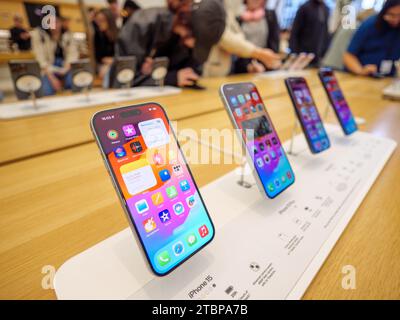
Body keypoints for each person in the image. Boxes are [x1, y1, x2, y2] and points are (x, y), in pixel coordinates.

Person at [118, 0, 226, 87]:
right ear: (183, 21)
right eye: (193, 39)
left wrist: (159, 74)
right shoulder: (142, 24)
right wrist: (170, 78)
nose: (192, 46)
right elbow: (122, 79)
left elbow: (193, 72)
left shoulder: (193, 37)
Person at [202, 0, 281, 77]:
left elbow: (237, 38)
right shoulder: (236, 14)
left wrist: (265, 61)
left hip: (265, 66)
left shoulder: (270, 15)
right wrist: (249, 64)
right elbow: (225, 38)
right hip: (231, 67)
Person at [343, 0, 400, 77]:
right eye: (392, 15)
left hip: (386, 79)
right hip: (361, 76)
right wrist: (360, 71)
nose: (396, 20)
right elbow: (348, 56)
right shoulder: (370, 25)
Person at [30, 15, 78, 95]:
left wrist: (66, 68)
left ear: (61, 23)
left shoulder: (68, 35)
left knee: (74, 85)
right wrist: (52, 78)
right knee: (46, 91)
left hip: (65, 67)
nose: (54, 25)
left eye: (56, 22)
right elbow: (40, 59)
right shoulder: (39, 35)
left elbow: (73, 54)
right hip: (49, 69)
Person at [234, 0, 281, 73]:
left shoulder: (270, 15)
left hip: (266, 66)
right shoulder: (238, 17)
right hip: (242, 67)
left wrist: (265, 64)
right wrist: (247, 66)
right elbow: (236, 45)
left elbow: (274, 43)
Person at [289, 0, 330, 65]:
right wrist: (294, 52)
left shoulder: (326, 9)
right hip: (302, 55)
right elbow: (295, 32)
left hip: (318, 56)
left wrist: (324, 51)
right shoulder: (305, 7)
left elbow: (325, 32)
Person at [94, 8, 119, 83]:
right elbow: (99, 57)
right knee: (105, 72)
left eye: (102, 20)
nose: (99, 23)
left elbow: (122, 53)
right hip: (104, 64)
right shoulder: (98, 35)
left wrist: (114, 60)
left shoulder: (118, 33)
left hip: (117, 61)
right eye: (98, 20)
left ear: (109, 20)